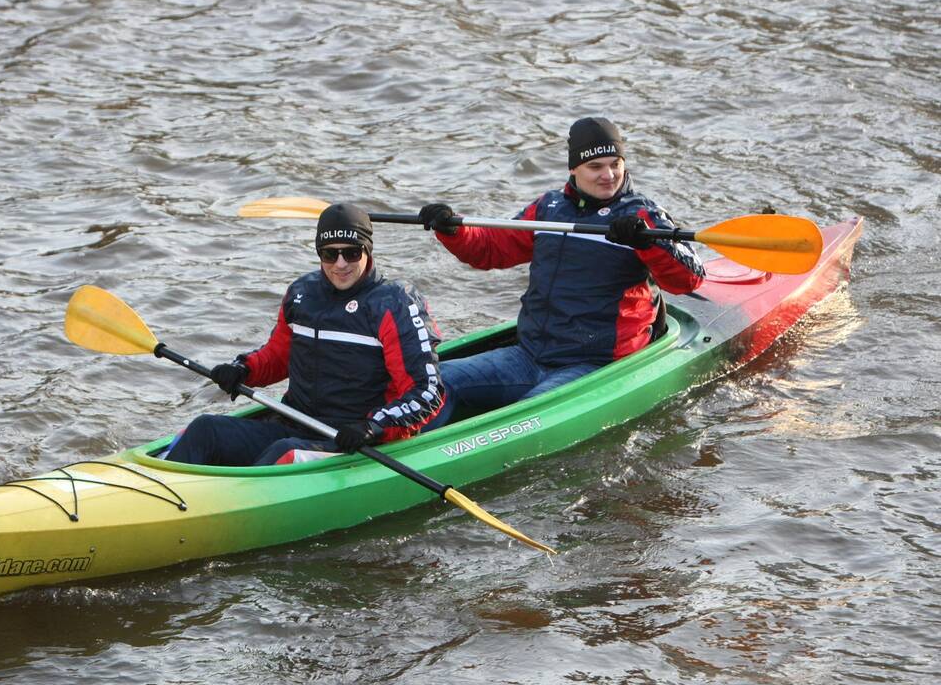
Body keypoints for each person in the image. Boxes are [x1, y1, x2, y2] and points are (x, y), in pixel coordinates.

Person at [418, 116, 705, 427]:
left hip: (594, 364)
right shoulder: (549, 208)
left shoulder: (642, 216)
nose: (608, 175)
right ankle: (400, 449)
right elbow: (491, 250)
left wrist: (648, 242)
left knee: (524, 417)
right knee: (434, 383)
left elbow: (689, 278)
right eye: (596, 167)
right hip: (529, 355)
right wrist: (452, 230)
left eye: (615, 164)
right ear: (574, 169)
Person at [166, 203, 444, 466]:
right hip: (294, 422)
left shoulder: (395, 304)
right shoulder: (302, 293)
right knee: (205, 428)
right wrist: (243, 369)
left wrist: (375, 426)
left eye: (351, 253)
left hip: (354, 439)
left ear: (367, 251)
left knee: (284, 453)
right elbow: (278, 356)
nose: (340, 264)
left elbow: (427, 391)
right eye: (329, 254)